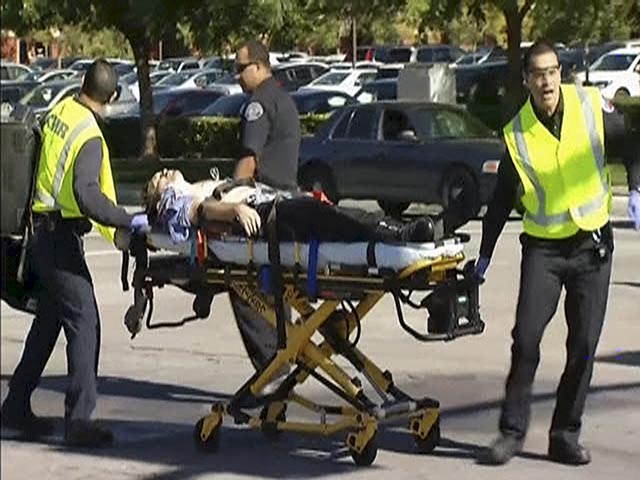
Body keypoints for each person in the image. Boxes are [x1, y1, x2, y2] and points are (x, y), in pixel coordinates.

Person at [474, 40, 640, 466]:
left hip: (591, 247)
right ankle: (511, 433)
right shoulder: (518, 133)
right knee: (526, 340)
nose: (547, 81)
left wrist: (636, 187)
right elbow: (501, 199)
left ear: (560, 74)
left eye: (552, 72)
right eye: (538, 74)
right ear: (527, 80)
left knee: (583, 345)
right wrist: (485, 255)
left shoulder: (590, 106)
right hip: (544, 252)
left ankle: (564, 435)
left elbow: (630, 143)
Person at [1, 59, 150, 447]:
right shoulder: (90, 136)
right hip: (59, 237)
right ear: (111, 98)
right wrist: (129, 221)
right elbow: (87, 195)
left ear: (83, 85)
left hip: (38, 232)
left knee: (50, 319)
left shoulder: (60, 112)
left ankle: (15, 406)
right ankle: (79, 421)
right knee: (84, 321)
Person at [142, 169, 467, 244]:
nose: (164, 172)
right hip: (262, 217)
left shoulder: (187, 188)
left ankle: (415, 229)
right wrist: (234, 211)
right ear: (161, 196)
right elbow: (199, 213)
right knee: (332, 219)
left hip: (270, 205)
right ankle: (404, 235)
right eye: (158, 178)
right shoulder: (173, 203)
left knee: (339, 216)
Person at [233, 40, 301, 191]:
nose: (237, 76)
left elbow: (249, 160)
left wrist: (229, 196)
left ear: (258, 66)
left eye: (241, 68)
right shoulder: (282, 97)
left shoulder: (259, 103)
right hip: (286, 193)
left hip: (263, 193)